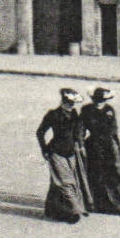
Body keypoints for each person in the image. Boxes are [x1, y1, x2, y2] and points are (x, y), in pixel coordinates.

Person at [35, 88, 91, 224]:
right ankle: (75, 210)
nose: (71, 105)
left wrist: (80, 145)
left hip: (71, 153)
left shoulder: (75, 114)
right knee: (66, 182)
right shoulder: (53, 114)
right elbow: (40, 132)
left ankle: (53, 209)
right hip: (56, 152)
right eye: (68, 102)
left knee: (60, 182)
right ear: (63, 101)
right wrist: (44, 150)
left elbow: (79, 133)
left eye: (73, 103)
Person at [79, 86, 120, 215]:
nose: (99, 102)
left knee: (114, 173)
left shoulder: (109, 110)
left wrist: (118, 145)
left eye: (101, 100)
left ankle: (118, 204)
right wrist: (80, 145)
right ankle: (96, 203)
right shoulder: (86, 110)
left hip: (109, 146)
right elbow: (81, 129)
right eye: (97, 99)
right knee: (95, 174)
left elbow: (114, 130)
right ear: (93, 99)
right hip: (93, 145)